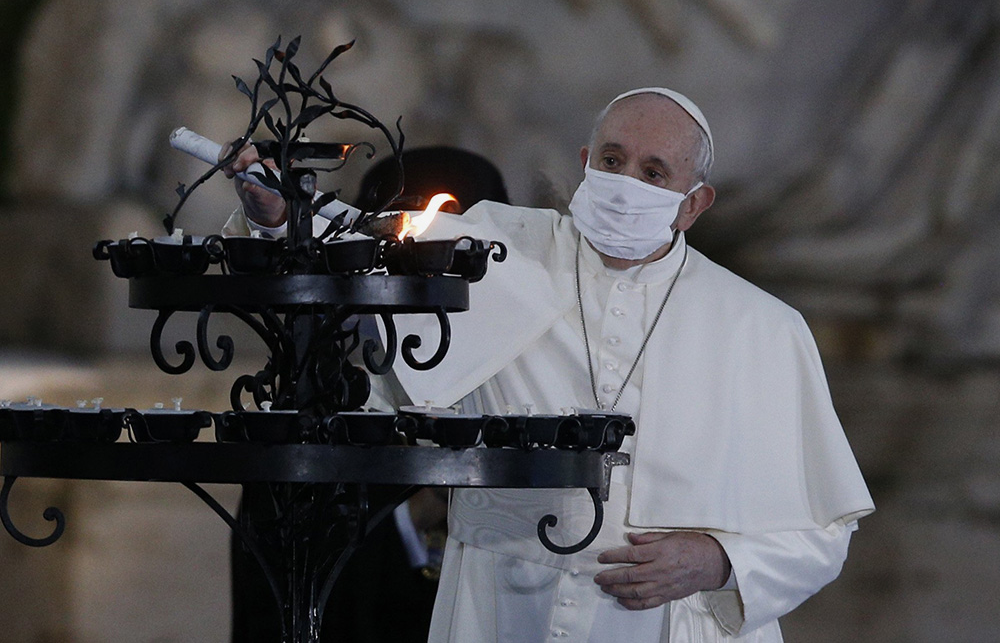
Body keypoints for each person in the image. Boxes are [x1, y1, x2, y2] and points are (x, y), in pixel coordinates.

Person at [226, 88, 875, 642]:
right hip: (500, 611)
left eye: (654, 173)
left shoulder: (760, 327)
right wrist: (284, 221)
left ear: (694, 202)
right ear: (587, 163)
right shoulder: (500, 254)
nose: (626, 184)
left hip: (674, 625)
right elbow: (372, 246)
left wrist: (719, 560)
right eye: (614, 161)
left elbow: (821, 530)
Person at [226, 146, 509, 643]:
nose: (425, 285)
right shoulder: (308, 448)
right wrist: (407, 515)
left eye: (450, 256)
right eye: (403, 255)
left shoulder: (534, 410)